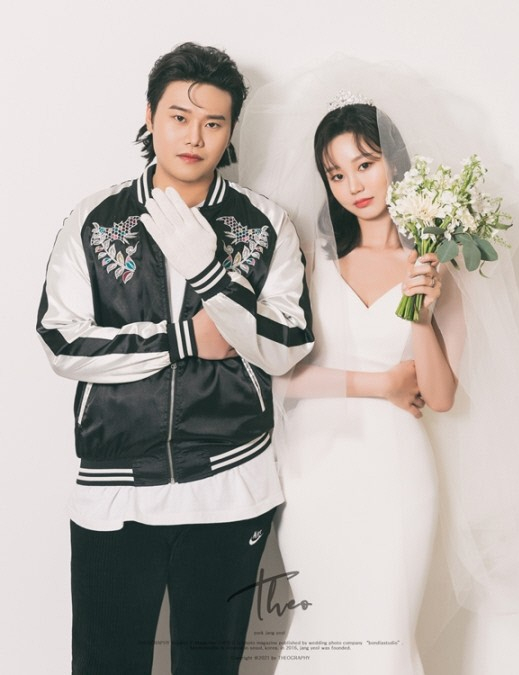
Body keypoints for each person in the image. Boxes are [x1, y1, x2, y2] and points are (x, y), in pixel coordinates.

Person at [239, 59, 519, 674]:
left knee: (384, 632)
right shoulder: (311, 261)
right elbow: (281, 376)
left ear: (394, 164)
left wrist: (421, 315)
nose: (353, 185)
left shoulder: (435, 268)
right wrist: (381, 384)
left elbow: (441, 396)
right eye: (336, 173)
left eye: (365, 164)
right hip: (314, 473)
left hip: (396, 471)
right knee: (320, 630)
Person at [36, 42, 313, 675]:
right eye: (179, 117)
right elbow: (60, 340)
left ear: (231, 129)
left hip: (232, 483)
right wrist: (180, 340)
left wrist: (210, 272)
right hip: (115, 486)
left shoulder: (265, 224)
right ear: (150, 116)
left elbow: (288, 344)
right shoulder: (94, 219)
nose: (194, 137)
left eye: (213, 122)